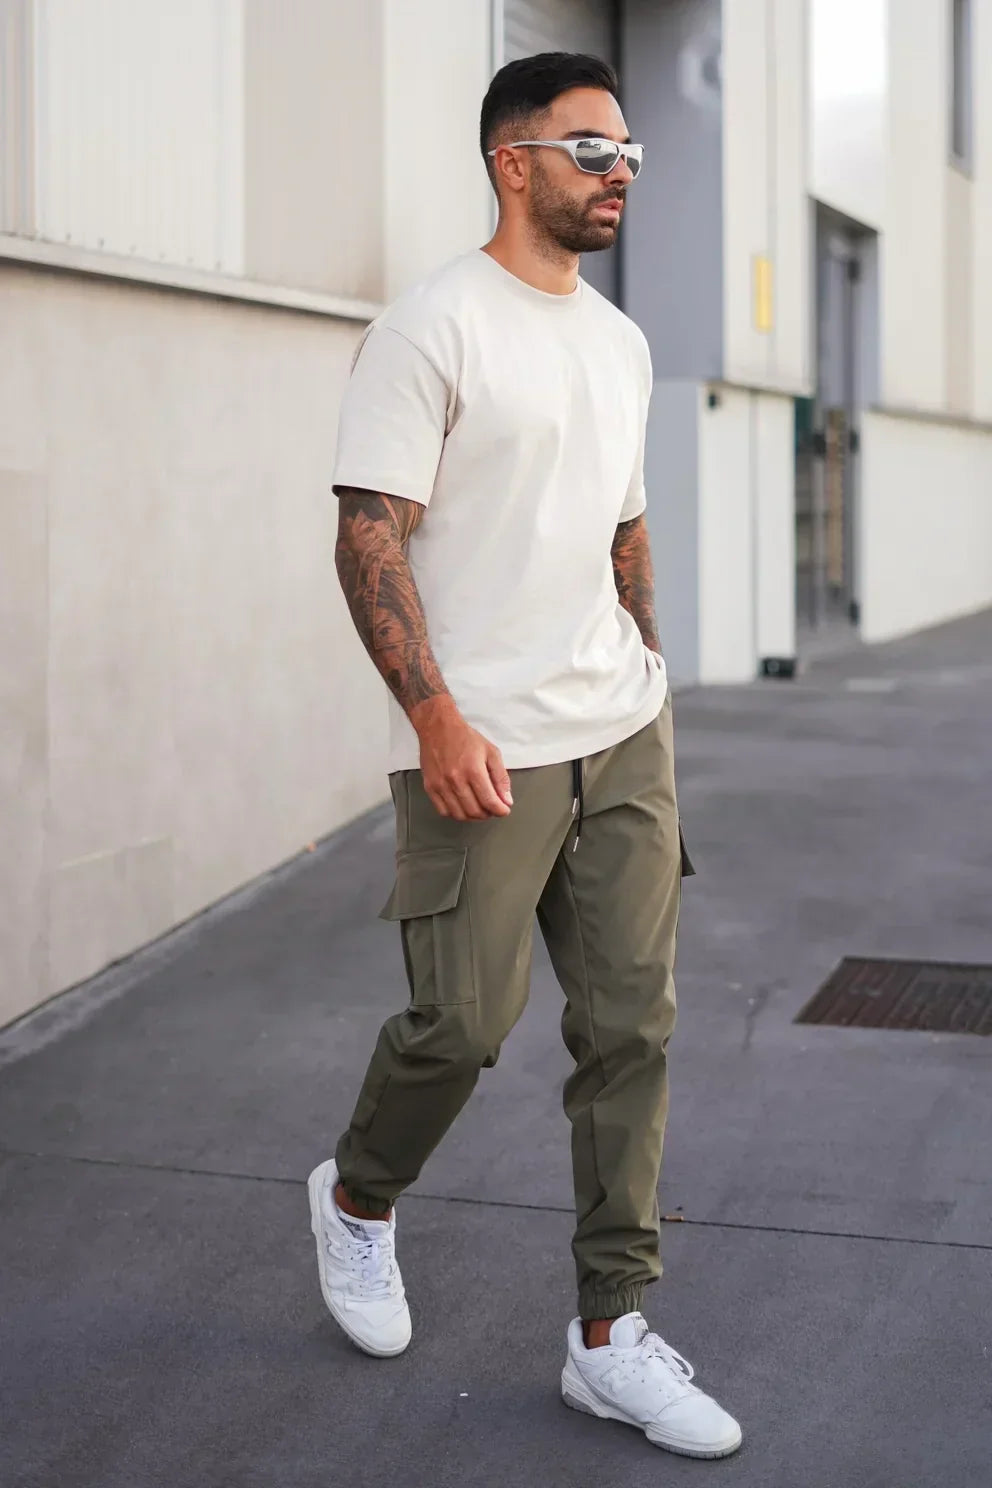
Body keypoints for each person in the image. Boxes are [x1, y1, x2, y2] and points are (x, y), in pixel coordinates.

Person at [308, 51, 742, 1460]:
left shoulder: (617, 342)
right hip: (482, 747)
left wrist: (649, 670)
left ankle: (611, 1334)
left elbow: (624, 525)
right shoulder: (430, 329)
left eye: (629, 153)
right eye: (591, 150)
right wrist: (435, 716)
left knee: (632, 1033)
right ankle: (358, 1196)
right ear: (513, 161)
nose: (621, 173)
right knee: (463, 1026)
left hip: (621, 734)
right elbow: (368, 534)